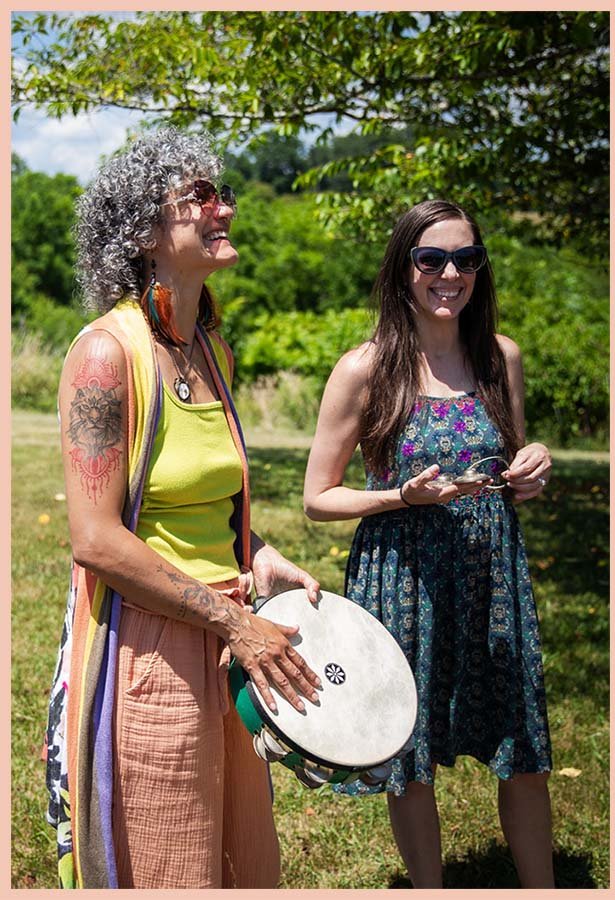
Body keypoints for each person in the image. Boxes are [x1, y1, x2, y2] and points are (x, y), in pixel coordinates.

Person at [44, 126, 322, 890]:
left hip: (232, 644)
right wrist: (236, 619)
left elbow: (201, 501)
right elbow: (97, 541)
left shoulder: (210, 348)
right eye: (197, 197)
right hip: (151, 650)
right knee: (169, 863)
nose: (222, 207)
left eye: (221, 191)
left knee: (238, 858)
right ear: (142, 233)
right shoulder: (107, 354)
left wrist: (257, 552)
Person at [303, 199, 554, 889]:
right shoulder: (365, 369)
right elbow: (317, 498)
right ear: (403, 268)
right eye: (432, 259)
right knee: (409, 755)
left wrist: (529, 470)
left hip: (490, 578)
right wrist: (399, 497)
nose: (451, 273)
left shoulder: (501, 357)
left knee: (523, 747)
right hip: (403, 578)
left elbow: (508, 475)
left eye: (467, 259)